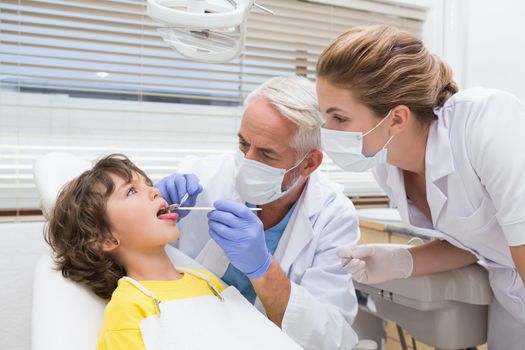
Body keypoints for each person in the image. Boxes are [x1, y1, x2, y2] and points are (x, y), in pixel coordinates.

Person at [316, 25, 525, 349]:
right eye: (324, 117)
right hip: (512, 304)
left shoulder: (484, 123)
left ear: (397, 119)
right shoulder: (388, 167)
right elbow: (475, 241)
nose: (325, 131)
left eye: (338, 118)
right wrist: (401, 261)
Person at [156, 76, 361, 349]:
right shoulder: (203, 176)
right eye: (243, 145)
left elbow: (331, 337)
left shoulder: (333, 216)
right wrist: (156, 212)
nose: (246, 162)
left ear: (309, 163)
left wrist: (263, 270)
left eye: (266, 154)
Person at [45, 154, 224, 349]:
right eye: (131, 191)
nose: (155, 191)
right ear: (106, 238)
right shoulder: (129, 308)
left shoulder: (206, 280)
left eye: (149, 184)